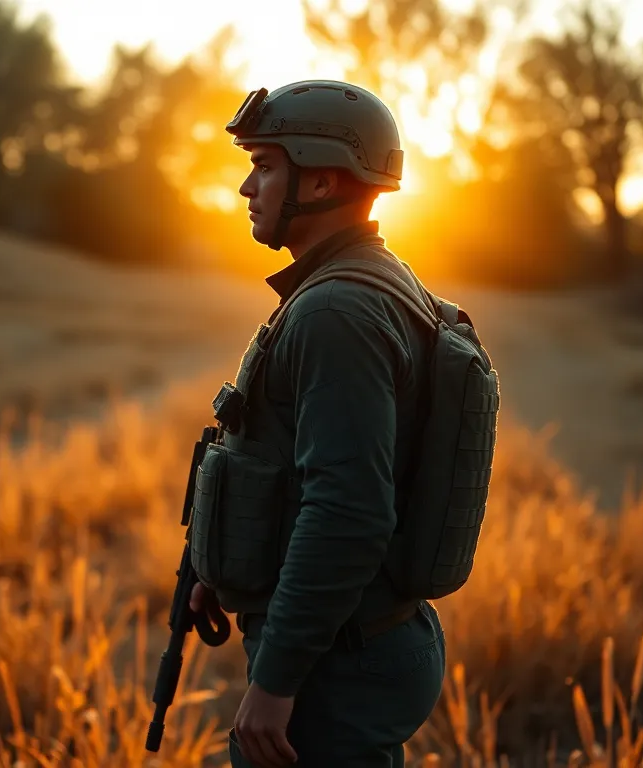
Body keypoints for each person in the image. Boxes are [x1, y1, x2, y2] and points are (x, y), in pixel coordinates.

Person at [187, 80, 448, 767]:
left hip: (339, 660)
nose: (248, 187)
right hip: (359, 636)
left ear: (324, 181)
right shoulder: (367, 279)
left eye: (266, 166)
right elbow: (290, 465)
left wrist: (276, 682)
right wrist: (227, 561)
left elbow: (348, 510)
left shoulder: (336, 313)